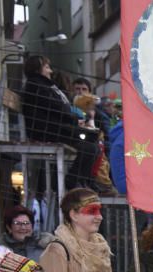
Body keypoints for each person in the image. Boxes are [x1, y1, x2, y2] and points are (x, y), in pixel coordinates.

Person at [20, 55, 99, 192]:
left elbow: (59, 108)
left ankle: (81, 180)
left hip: (53, 128)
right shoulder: (37, 85)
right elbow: (58, 108)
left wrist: (73, 119)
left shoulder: (42, 85)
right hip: (47, 131)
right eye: (46, 67)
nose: (50, 71)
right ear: (37, 69)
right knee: (90, 146)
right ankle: (74, 180)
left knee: (93, 142)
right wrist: (75, 119)